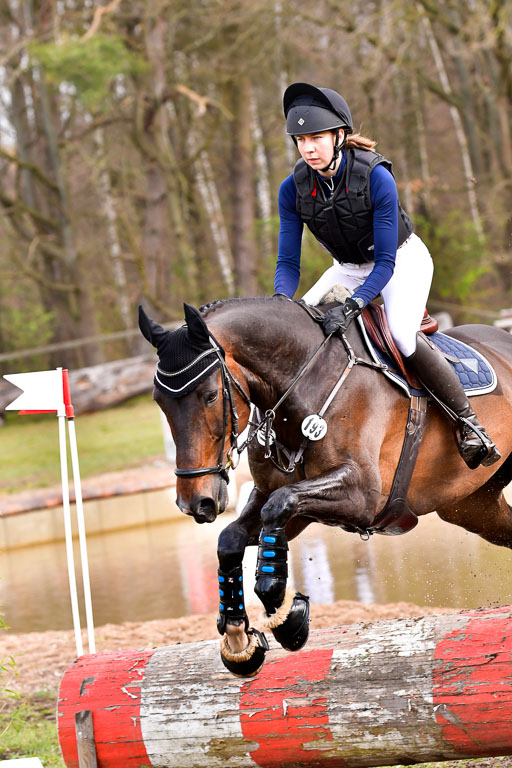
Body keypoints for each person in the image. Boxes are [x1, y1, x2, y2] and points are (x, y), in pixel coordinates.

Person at [274, 81, 500, 470]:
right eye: (300, 140)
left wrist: (356, 304)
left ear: (339, 135)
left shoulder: (376, 177)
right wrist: (280, 304)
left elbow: (385, 266)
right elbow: (288, 263)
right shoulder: (291, 189)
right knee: (290, 330)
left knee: (401, 335)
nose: (308, 149)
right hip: (345, 269)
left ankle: (469, 424)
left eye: (315, 138)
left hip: (400, 260)